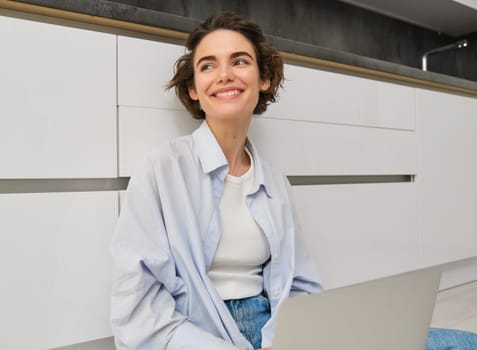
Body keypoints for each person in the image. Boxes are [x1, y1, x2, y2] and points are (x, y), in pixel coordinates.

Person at [111, 10, 477, 350]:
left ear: (263, 79)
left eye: (240, 61)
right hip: (199, 336)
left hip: (278, 332)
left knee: (455, 342)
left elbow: (301, 283)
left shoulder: (273, 182)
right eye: (208, 66)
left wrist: (282, 339)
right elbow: (139, 310)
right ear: (193, 88)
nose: (224, 74)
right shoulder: (162, 170)